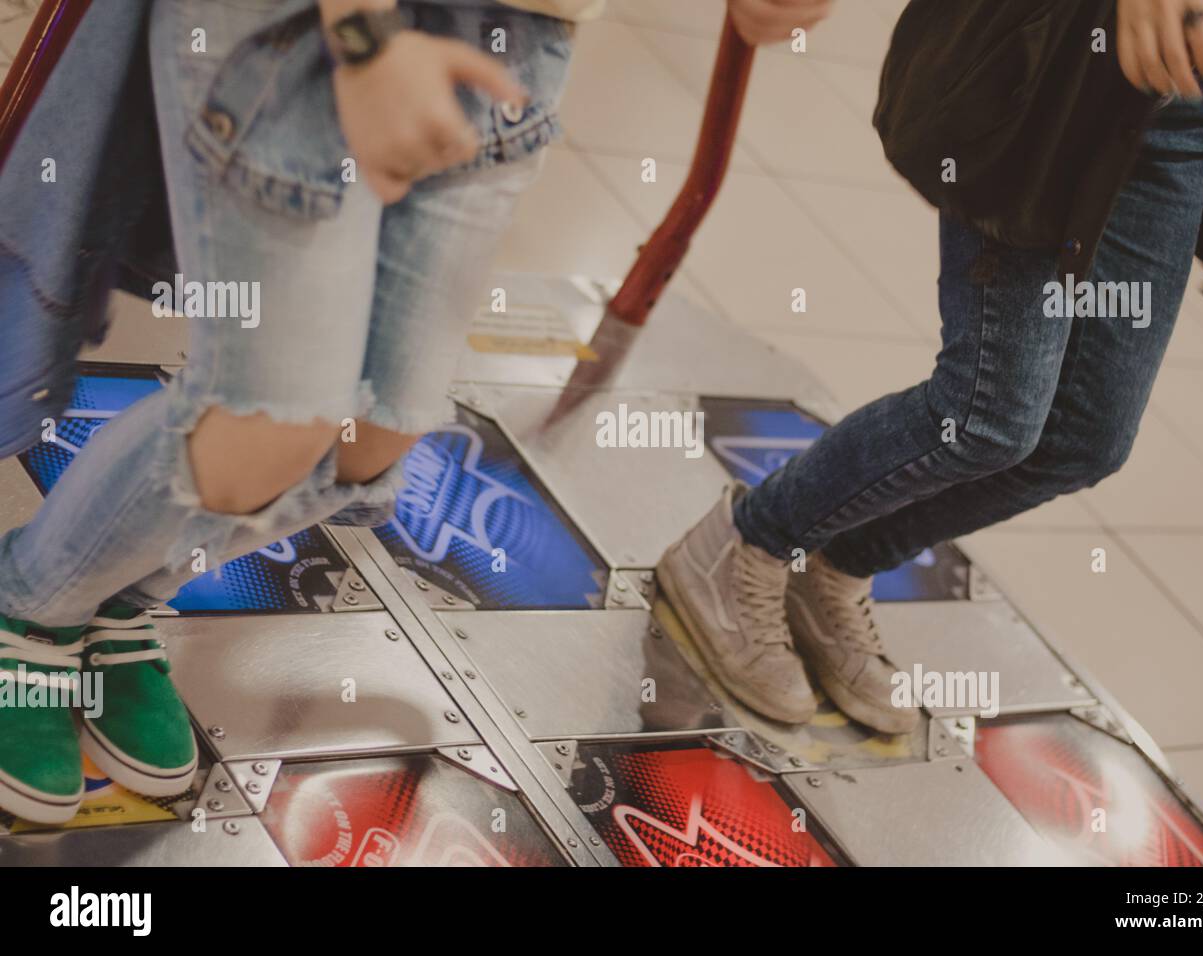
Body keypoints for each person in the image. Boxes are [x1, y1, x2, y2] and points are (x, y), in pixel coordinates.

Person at [0, 0, 833, 824]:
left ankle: (118, 596)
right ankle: (29, 605)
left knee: (377, 434)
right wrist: (364, 37)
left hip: (518, 40)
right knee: (271, 424)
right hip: (308, 31)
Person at [659, 0, 1203, 733]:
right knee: (988, 415)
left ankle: (836, 565)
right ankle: (749, 540)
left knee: (1086, 438)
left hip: (1193, 89)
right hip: (1062, 51)